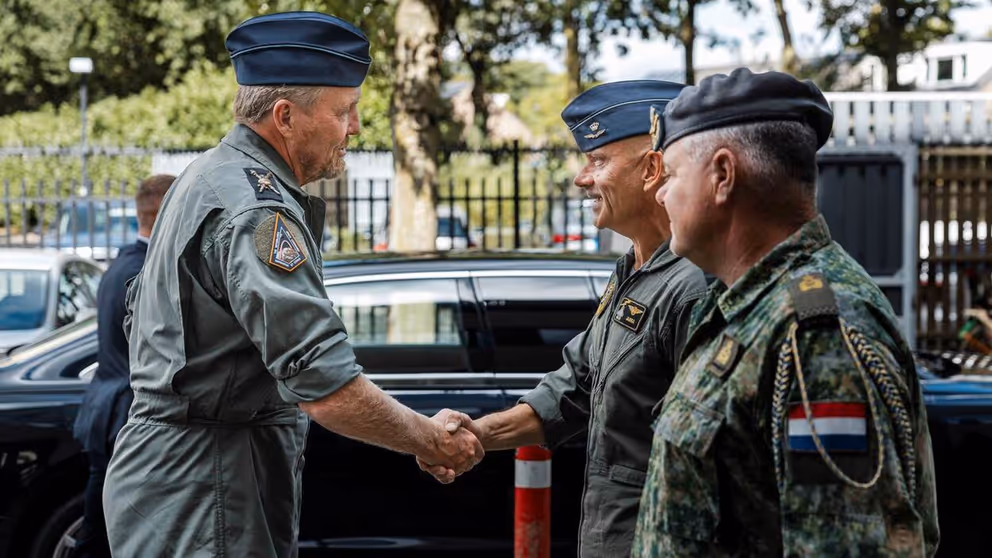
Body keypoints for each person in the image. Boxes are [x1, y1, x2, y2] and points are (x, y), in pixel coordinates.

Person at [103, 12, 482, 557]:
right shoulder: (256, 211)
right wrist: (429, 440)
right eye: (344, 111)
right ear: (285, 116)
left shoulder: (210, 174)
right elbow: (326, 388)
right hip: (206, 484)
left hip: (191, 476)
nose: (355, 128)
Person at [631, 68, 939, 556]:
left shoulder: (817, 332)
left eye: (669, 174)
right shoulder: (744, 306)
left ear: (723, 175)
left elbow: (845, 546)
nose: (659, 192)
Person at [420, 81, 708, 557]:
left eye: (598, 161)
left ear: (652, 169)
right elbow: (575, 388)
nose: (581, 178)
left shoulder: (693, 286)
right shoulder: (632, 267)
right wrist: (476, 434)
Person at [71, 174, 175, 558]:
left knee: (103, 531)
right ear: (167, 211)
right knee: (111, 536)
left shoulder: (124, 263)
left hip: (106, 409)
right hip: (123, 414)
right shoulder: (145, 271)